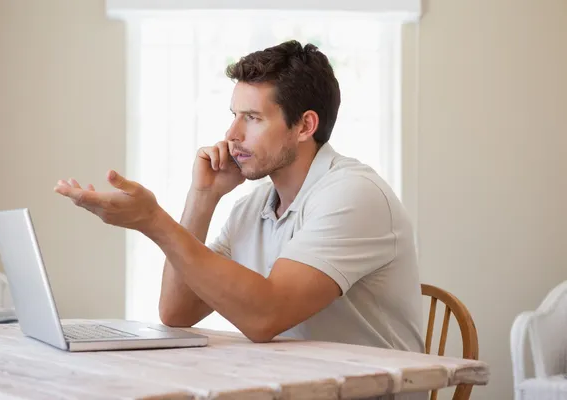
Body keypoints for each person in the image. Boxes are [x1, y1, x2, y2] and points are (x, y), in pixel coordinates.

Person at [54, 40, 424, 353]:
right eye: (234, 115)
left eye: (253, 117)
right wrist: (202, 198)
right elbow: (177, 311)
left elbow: (265, 317)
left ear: (305, 126)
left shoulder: (354, 195)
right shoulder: (254, 205)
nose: (232, 133)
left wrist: (154, 222)